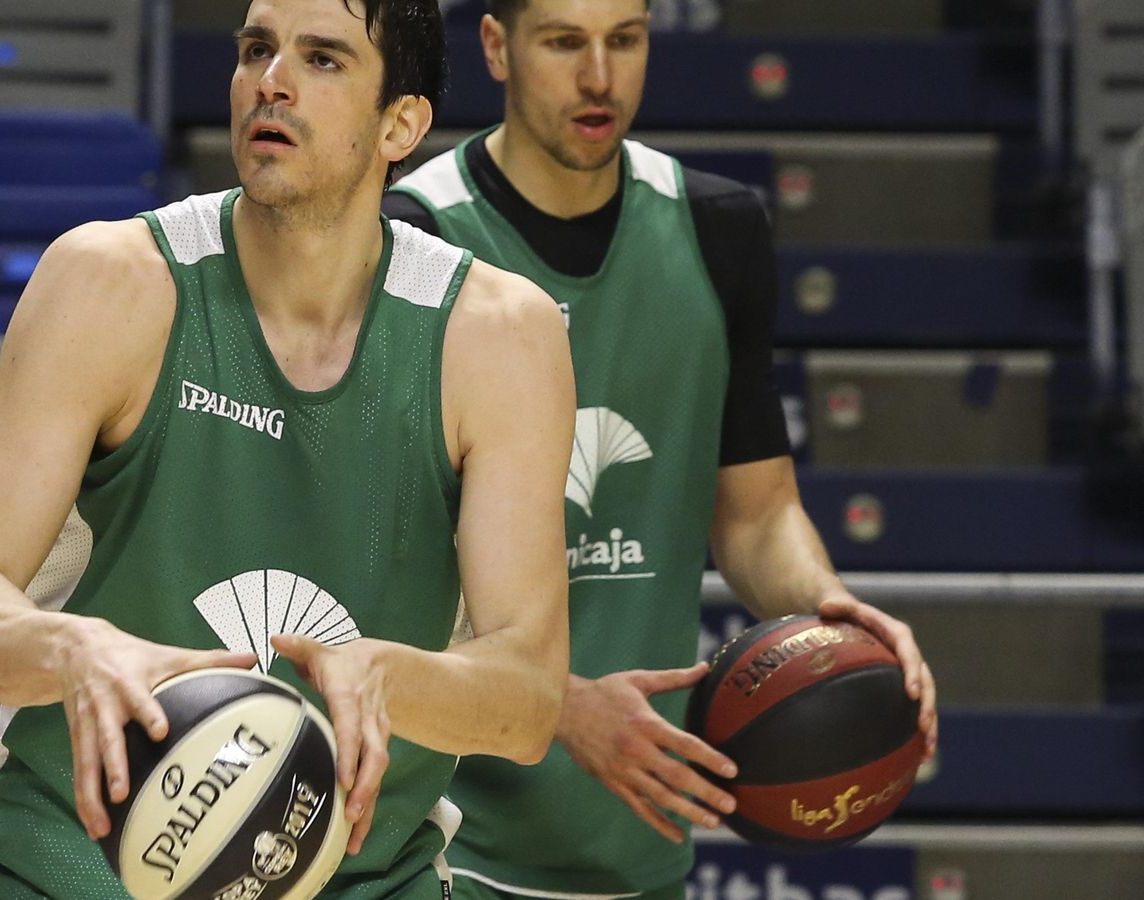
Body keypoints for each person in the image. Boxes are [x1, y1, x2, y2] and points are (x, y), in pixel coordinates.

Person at [0, 0, 577, 897]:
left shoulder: (498, 337)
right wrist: (74, 651)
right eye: (257, 50)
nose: (272, 81)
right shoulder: (107, 283)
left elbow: (528, 701)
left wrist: (388, 676)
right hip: (76, 870)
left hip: (361, 875)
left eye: (324, 60)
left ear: (401, 124)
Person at [383, 2, 941, 898]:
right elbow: (379, 569)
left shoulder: (718, 229)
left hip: (645, 852)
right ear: (497, 47)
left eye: (626, 40)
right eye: (565, 42)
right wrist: (556, 705)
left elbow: (757, 515)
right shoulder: (416, 236)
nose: (600, 76)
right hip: (449, 852)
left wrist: (827, 605)